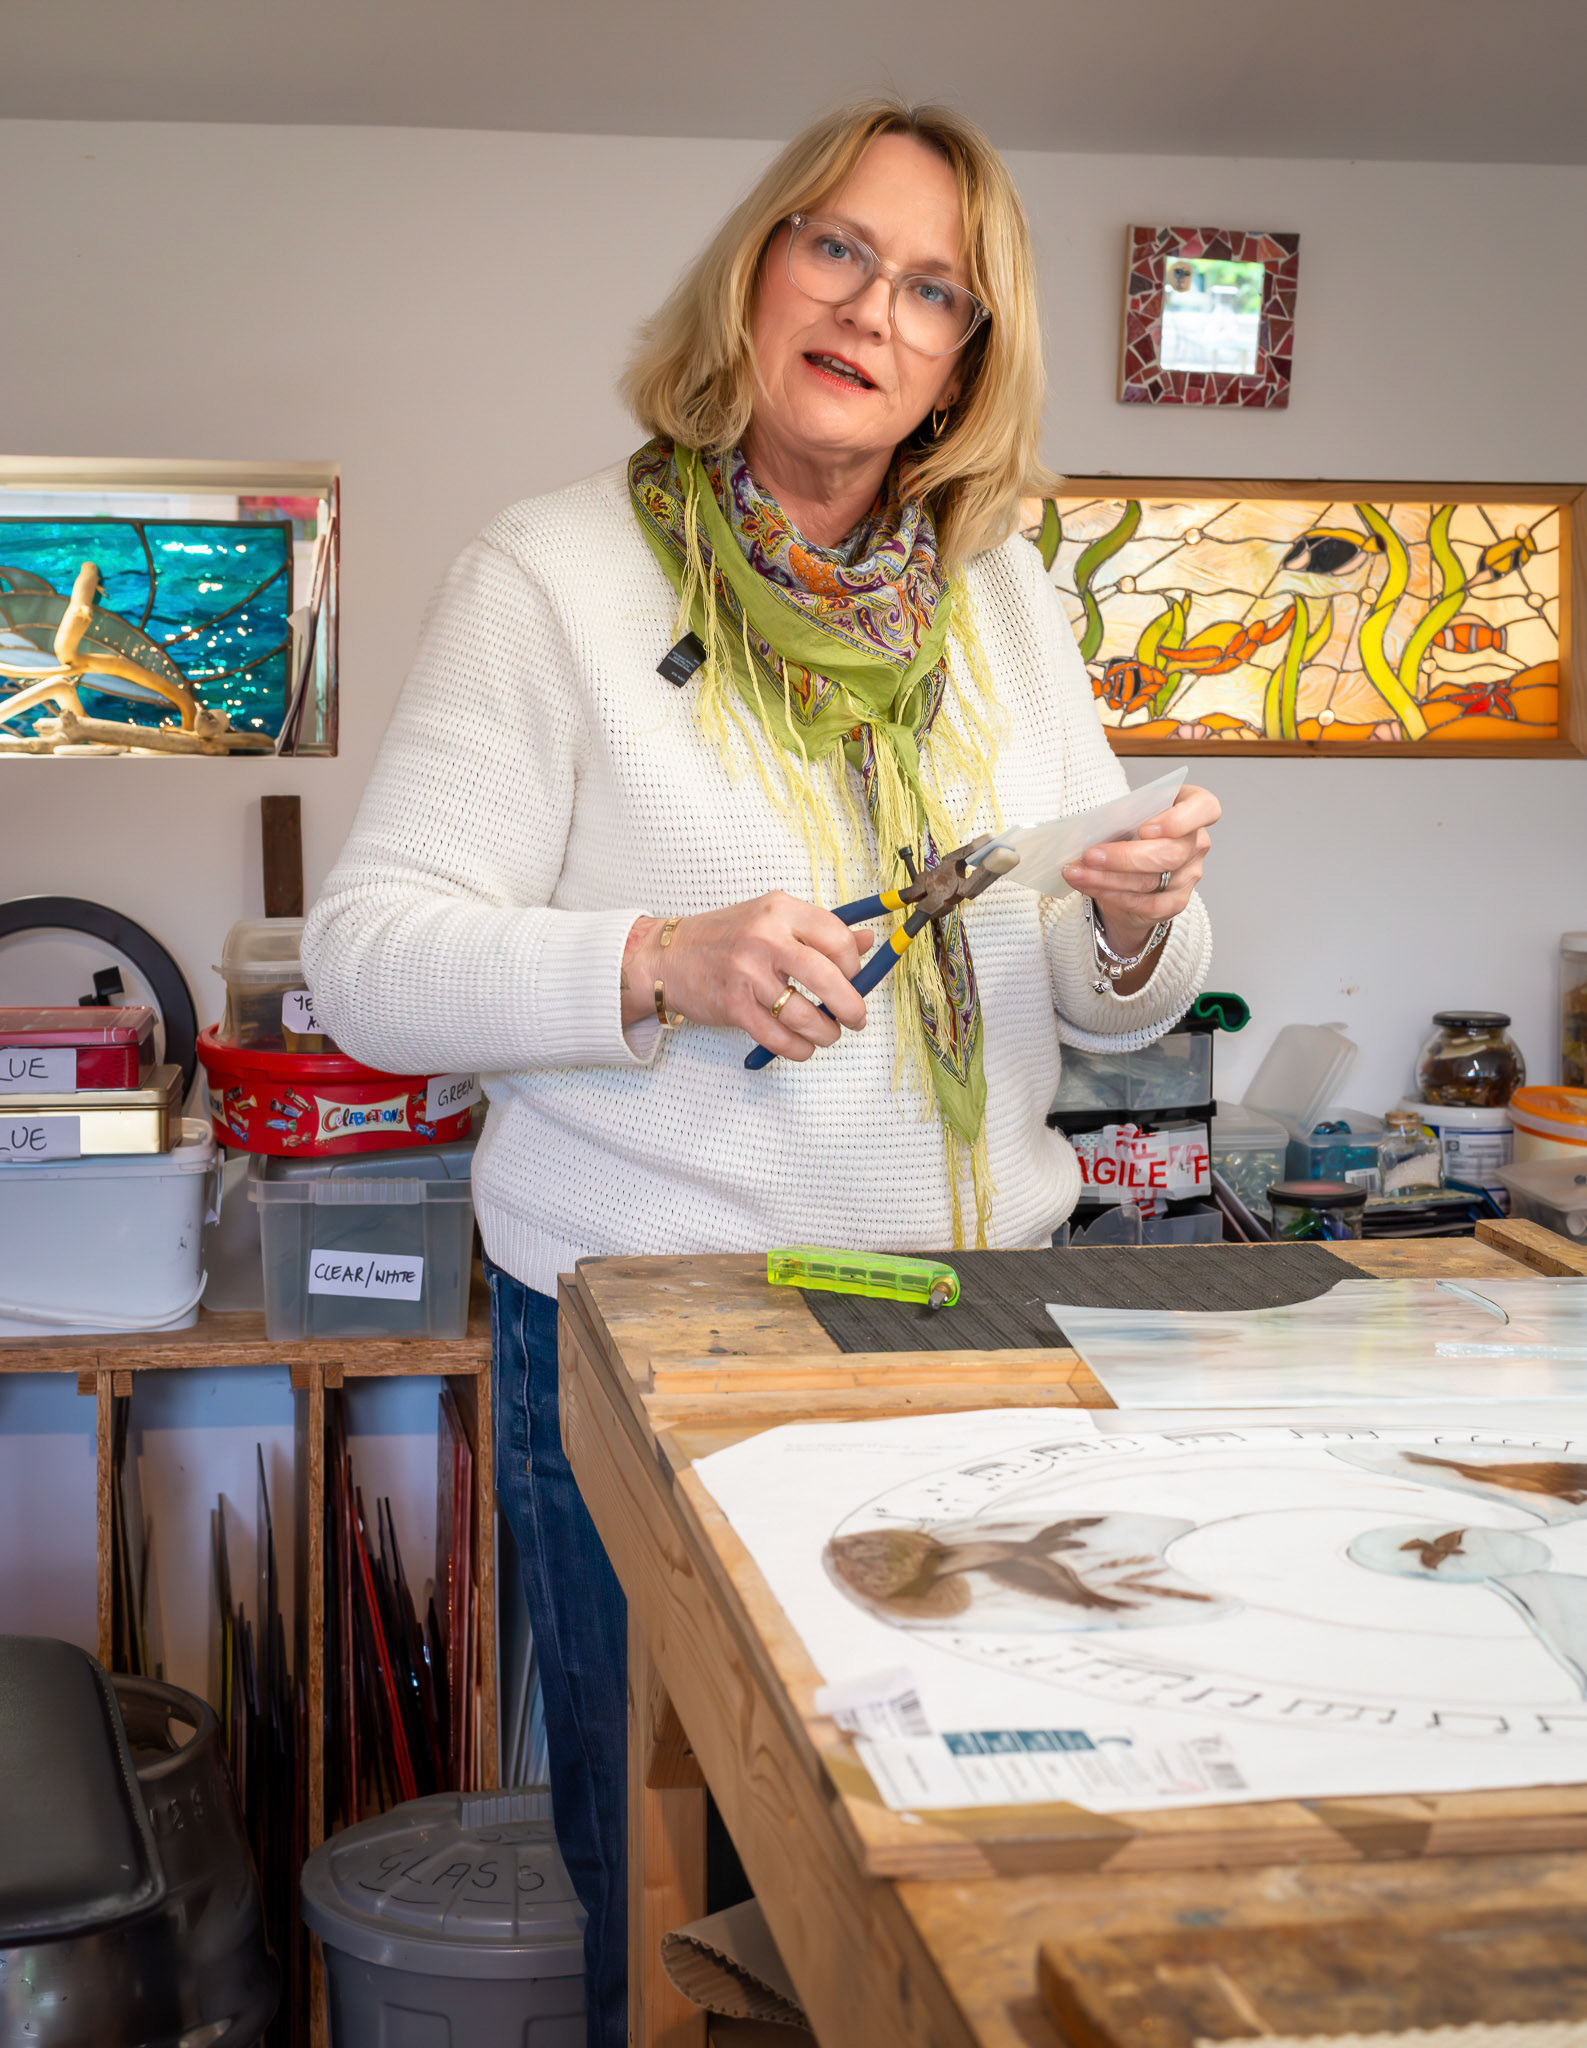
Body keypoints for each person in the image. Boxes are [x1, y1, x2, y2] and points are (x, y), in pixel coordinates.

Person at [303, 96, 1219, 2047]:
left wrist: (1133, 920)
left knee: (968, 1844)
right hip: (664, 1347)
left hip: (981, 1330)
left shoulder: (997, 597)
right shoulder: (551, 573)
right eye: (837, 250)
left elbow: (1089, 972)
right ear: (755, 264)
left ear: (965, 359)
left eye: (933, 291)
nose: (871, 311)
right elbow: (366, 961)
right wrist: (656, 958)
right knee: (682, 1882)